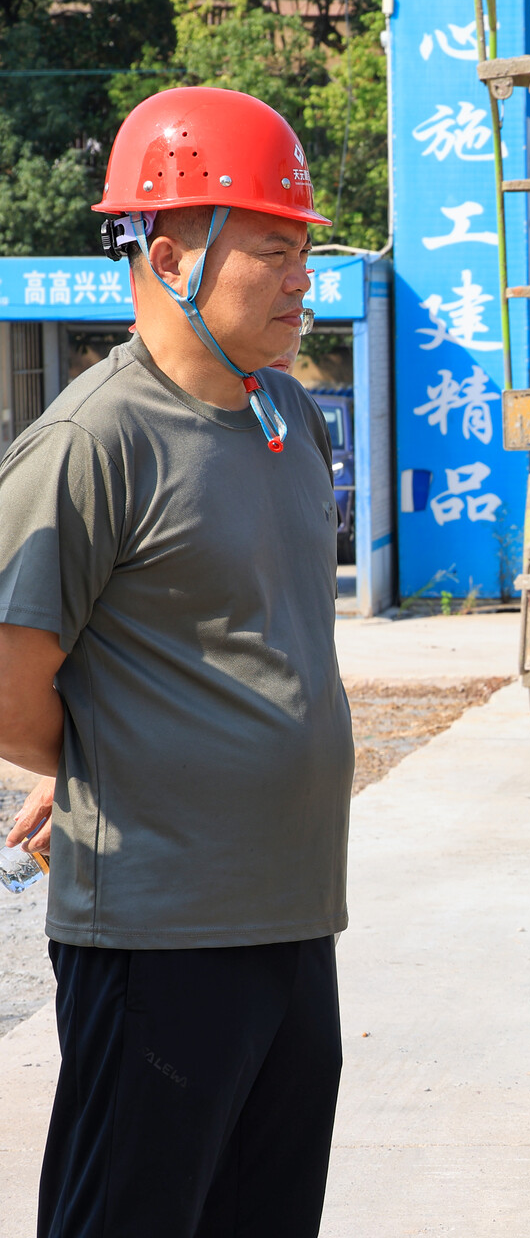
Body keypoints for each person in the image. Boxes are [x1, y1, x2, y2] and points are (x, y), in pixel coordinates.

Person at [0, 87, 351, 1236]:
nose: (302, 276)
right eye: (272, 249)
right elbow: (10, 678)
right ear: (168, 256)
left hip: (292, 913)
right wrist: (104, 759)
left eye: (303, 249)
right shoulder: (93, 439)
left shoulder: (289, 416)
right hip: (159, 932)